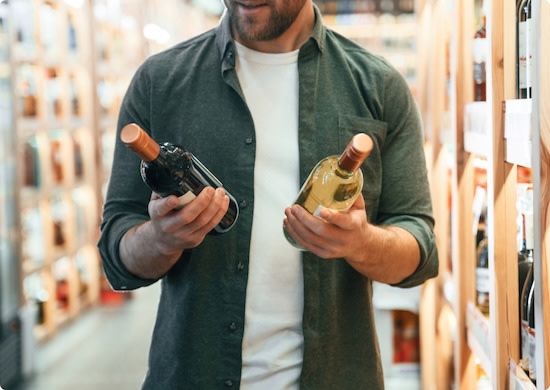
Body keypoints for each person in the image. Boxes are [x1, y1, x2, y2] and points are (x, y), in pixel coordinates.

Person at [97, 1, 439, 389]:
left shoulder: (377, 86)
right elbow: (116, 251)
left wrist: (361, 243)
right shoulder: (160, 82)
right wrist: (159, 239)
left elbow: (419, 251)